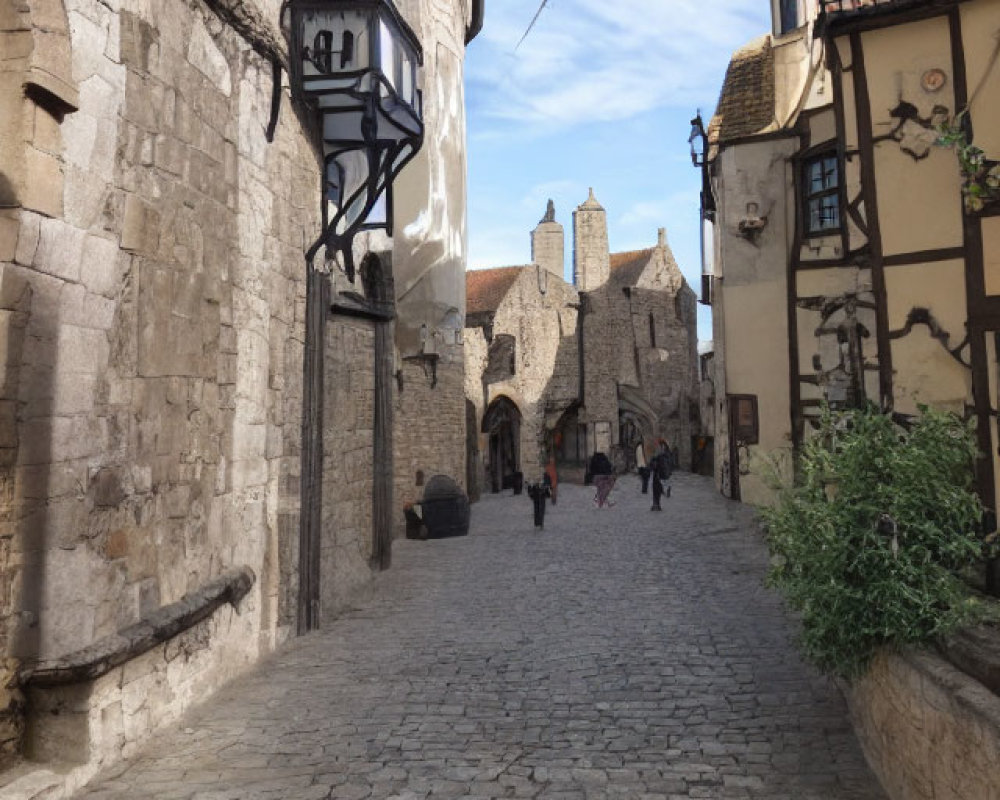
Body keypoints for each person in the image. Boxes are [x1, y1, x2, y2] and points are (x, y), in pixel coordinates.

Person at [649, 440, 673, 511]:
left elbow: (655, 465)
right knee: (657, 489)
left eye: (661, 446)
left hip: (659, 475)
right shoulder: (665, 455)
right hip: (661, 475)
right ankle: (656, 504)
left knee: (657, 489)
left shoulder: (662, 456)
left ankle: (656, 505)